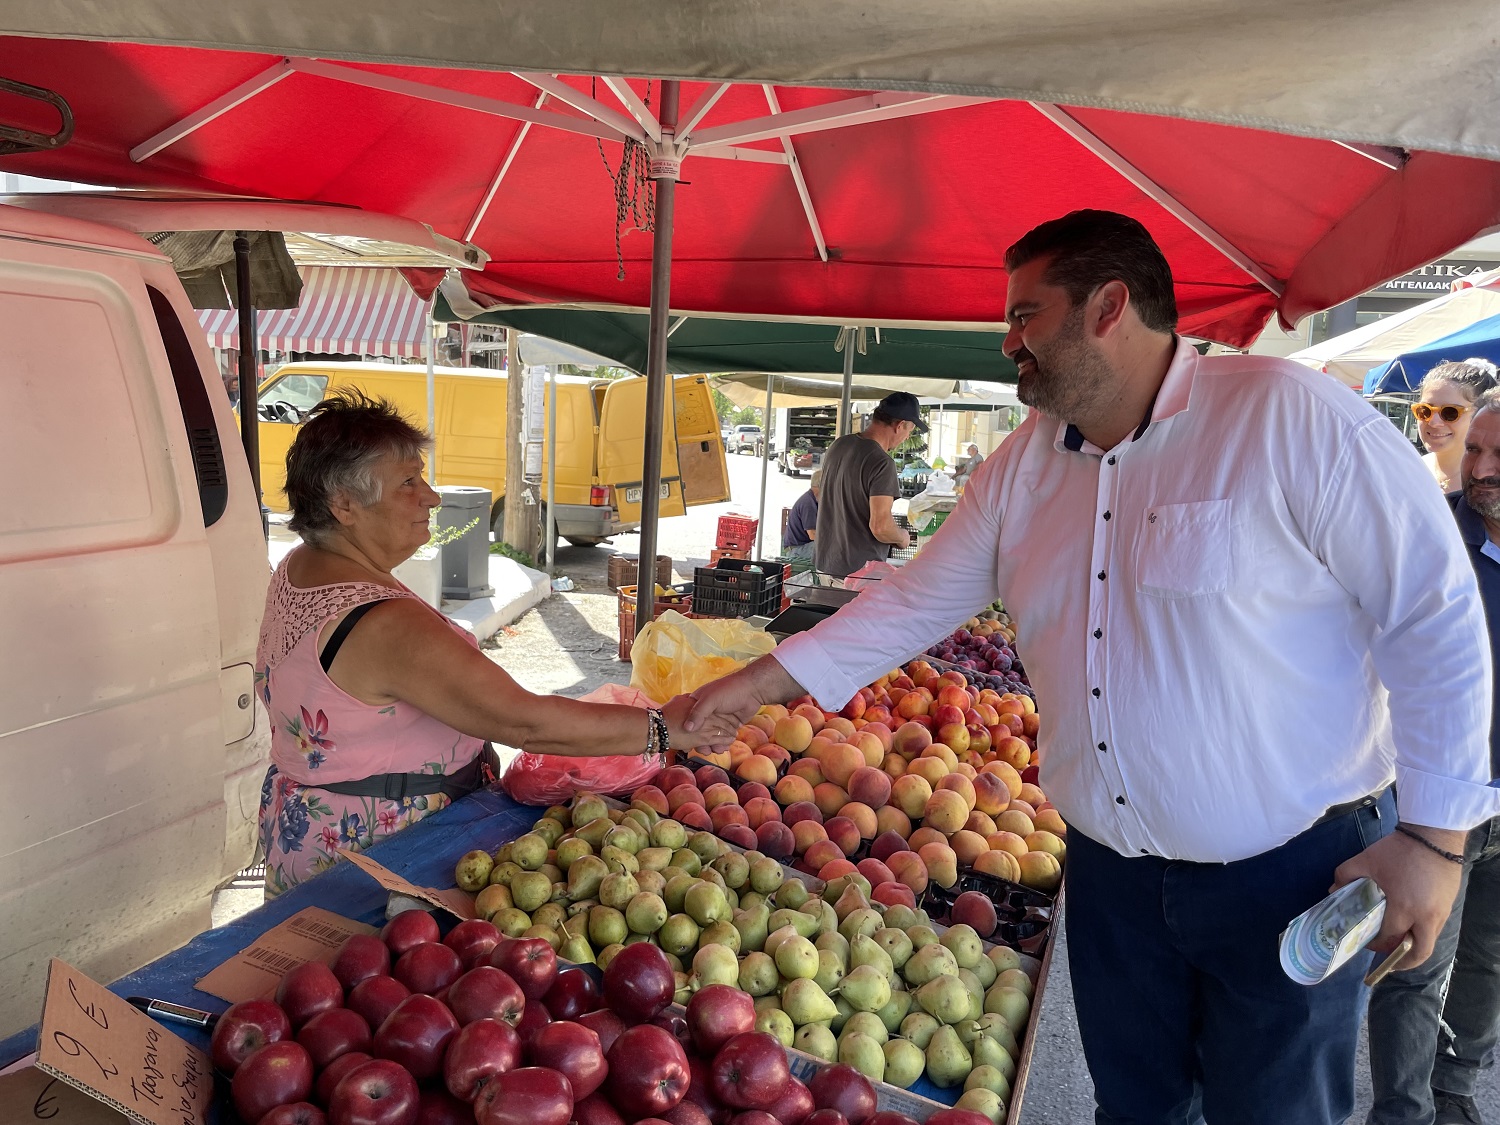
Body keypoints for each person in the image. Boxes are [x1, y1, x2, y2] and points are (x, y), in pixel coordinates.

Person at [685, 210, 1499, 1124]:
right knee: (1136, 1108)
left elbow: (1433, 611)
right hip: (1113, 881)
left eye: (1027, 316)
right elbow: (909, 604)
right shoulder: (1022, 469)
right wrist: (747, 688)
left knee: (1276, 1113)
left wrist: (1436, 841)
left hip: (1289, 874)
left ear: (1110, 306)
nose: (1008, 341)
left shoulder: (1287, 417)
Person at [256, 390, 715, 895]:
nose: (430, 496)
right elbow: (525, 721)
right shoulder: (383, 623)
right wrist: (662, 729)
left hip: (305, 841)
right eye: (408, 482)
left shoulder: (300, 568)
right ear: (343, 504)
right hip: (379, 864)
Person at [1368, 387, 1500, 1125]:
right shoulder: (1434, 540)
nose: (1477, 468)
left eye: (1495, 454)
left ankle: (1457, 1083)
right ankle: (1403, 1111)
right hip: (1437, 796)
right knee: (1413, 961)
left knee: (1488, 956)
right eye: (1472, 448)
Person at [814, 392, 921, 582]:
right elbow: (881, 527)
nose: (907, 437)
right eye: (909, 430)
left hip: (825, 567)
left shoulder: (839, 445)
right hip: (857, 576)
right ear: (900, 425)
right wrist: (902, 537)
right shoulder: (881, 462)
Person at [1412, 359, 1498, 492]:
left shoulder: (1492, 484)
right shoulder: (1408, 470)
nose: (1434, 422)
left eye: (1450, 412)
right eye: (1425, 410)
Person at [783, 469, 820, 564]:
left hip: (800, 547)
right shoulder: (808, 503)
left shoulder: (812, 500)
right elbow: (813, 535)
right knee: (831, 549)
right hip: (796, 550)